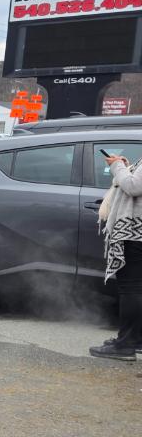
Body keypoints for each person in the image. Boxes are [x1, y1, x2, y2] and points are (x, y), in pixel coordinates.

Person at [91, 152, 142, 360]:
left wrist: (117, 166)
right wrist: (126, 166)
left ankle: (125, 345)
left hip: (135, 233)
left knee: (131, 289)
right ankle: (136, 339)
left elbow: (133, 186)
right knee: (137, 288)